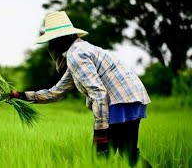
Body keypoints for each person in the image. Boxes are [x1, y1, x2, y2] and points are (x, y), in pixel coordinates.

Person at [8, 11, 151, 167]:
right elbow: (55, 92)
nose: (50, 47)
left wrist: (101, 133)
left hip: (119, 102)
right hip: (133, 97)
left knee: (100, 159)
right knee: (129, 155)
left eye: (51, 42)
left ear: (58, 41)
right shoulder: (81, 50)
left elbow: (98, 93)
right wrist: (21, 95)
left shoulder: (76, 55)